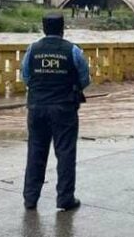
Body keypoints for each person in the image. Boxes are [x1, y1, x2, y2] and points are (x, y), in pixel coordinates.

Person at [21, 13, 90, 211]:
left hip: (36, 107)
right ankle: (65, 198)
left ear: (43, 28)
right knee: (65, 152)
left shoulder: (32, 49)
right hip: (64, 108)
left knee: (35, 151)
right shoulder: (73, 51)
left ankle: (30, 198)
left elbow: (25, 77)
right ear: (62, 28)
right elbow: (85, 79)